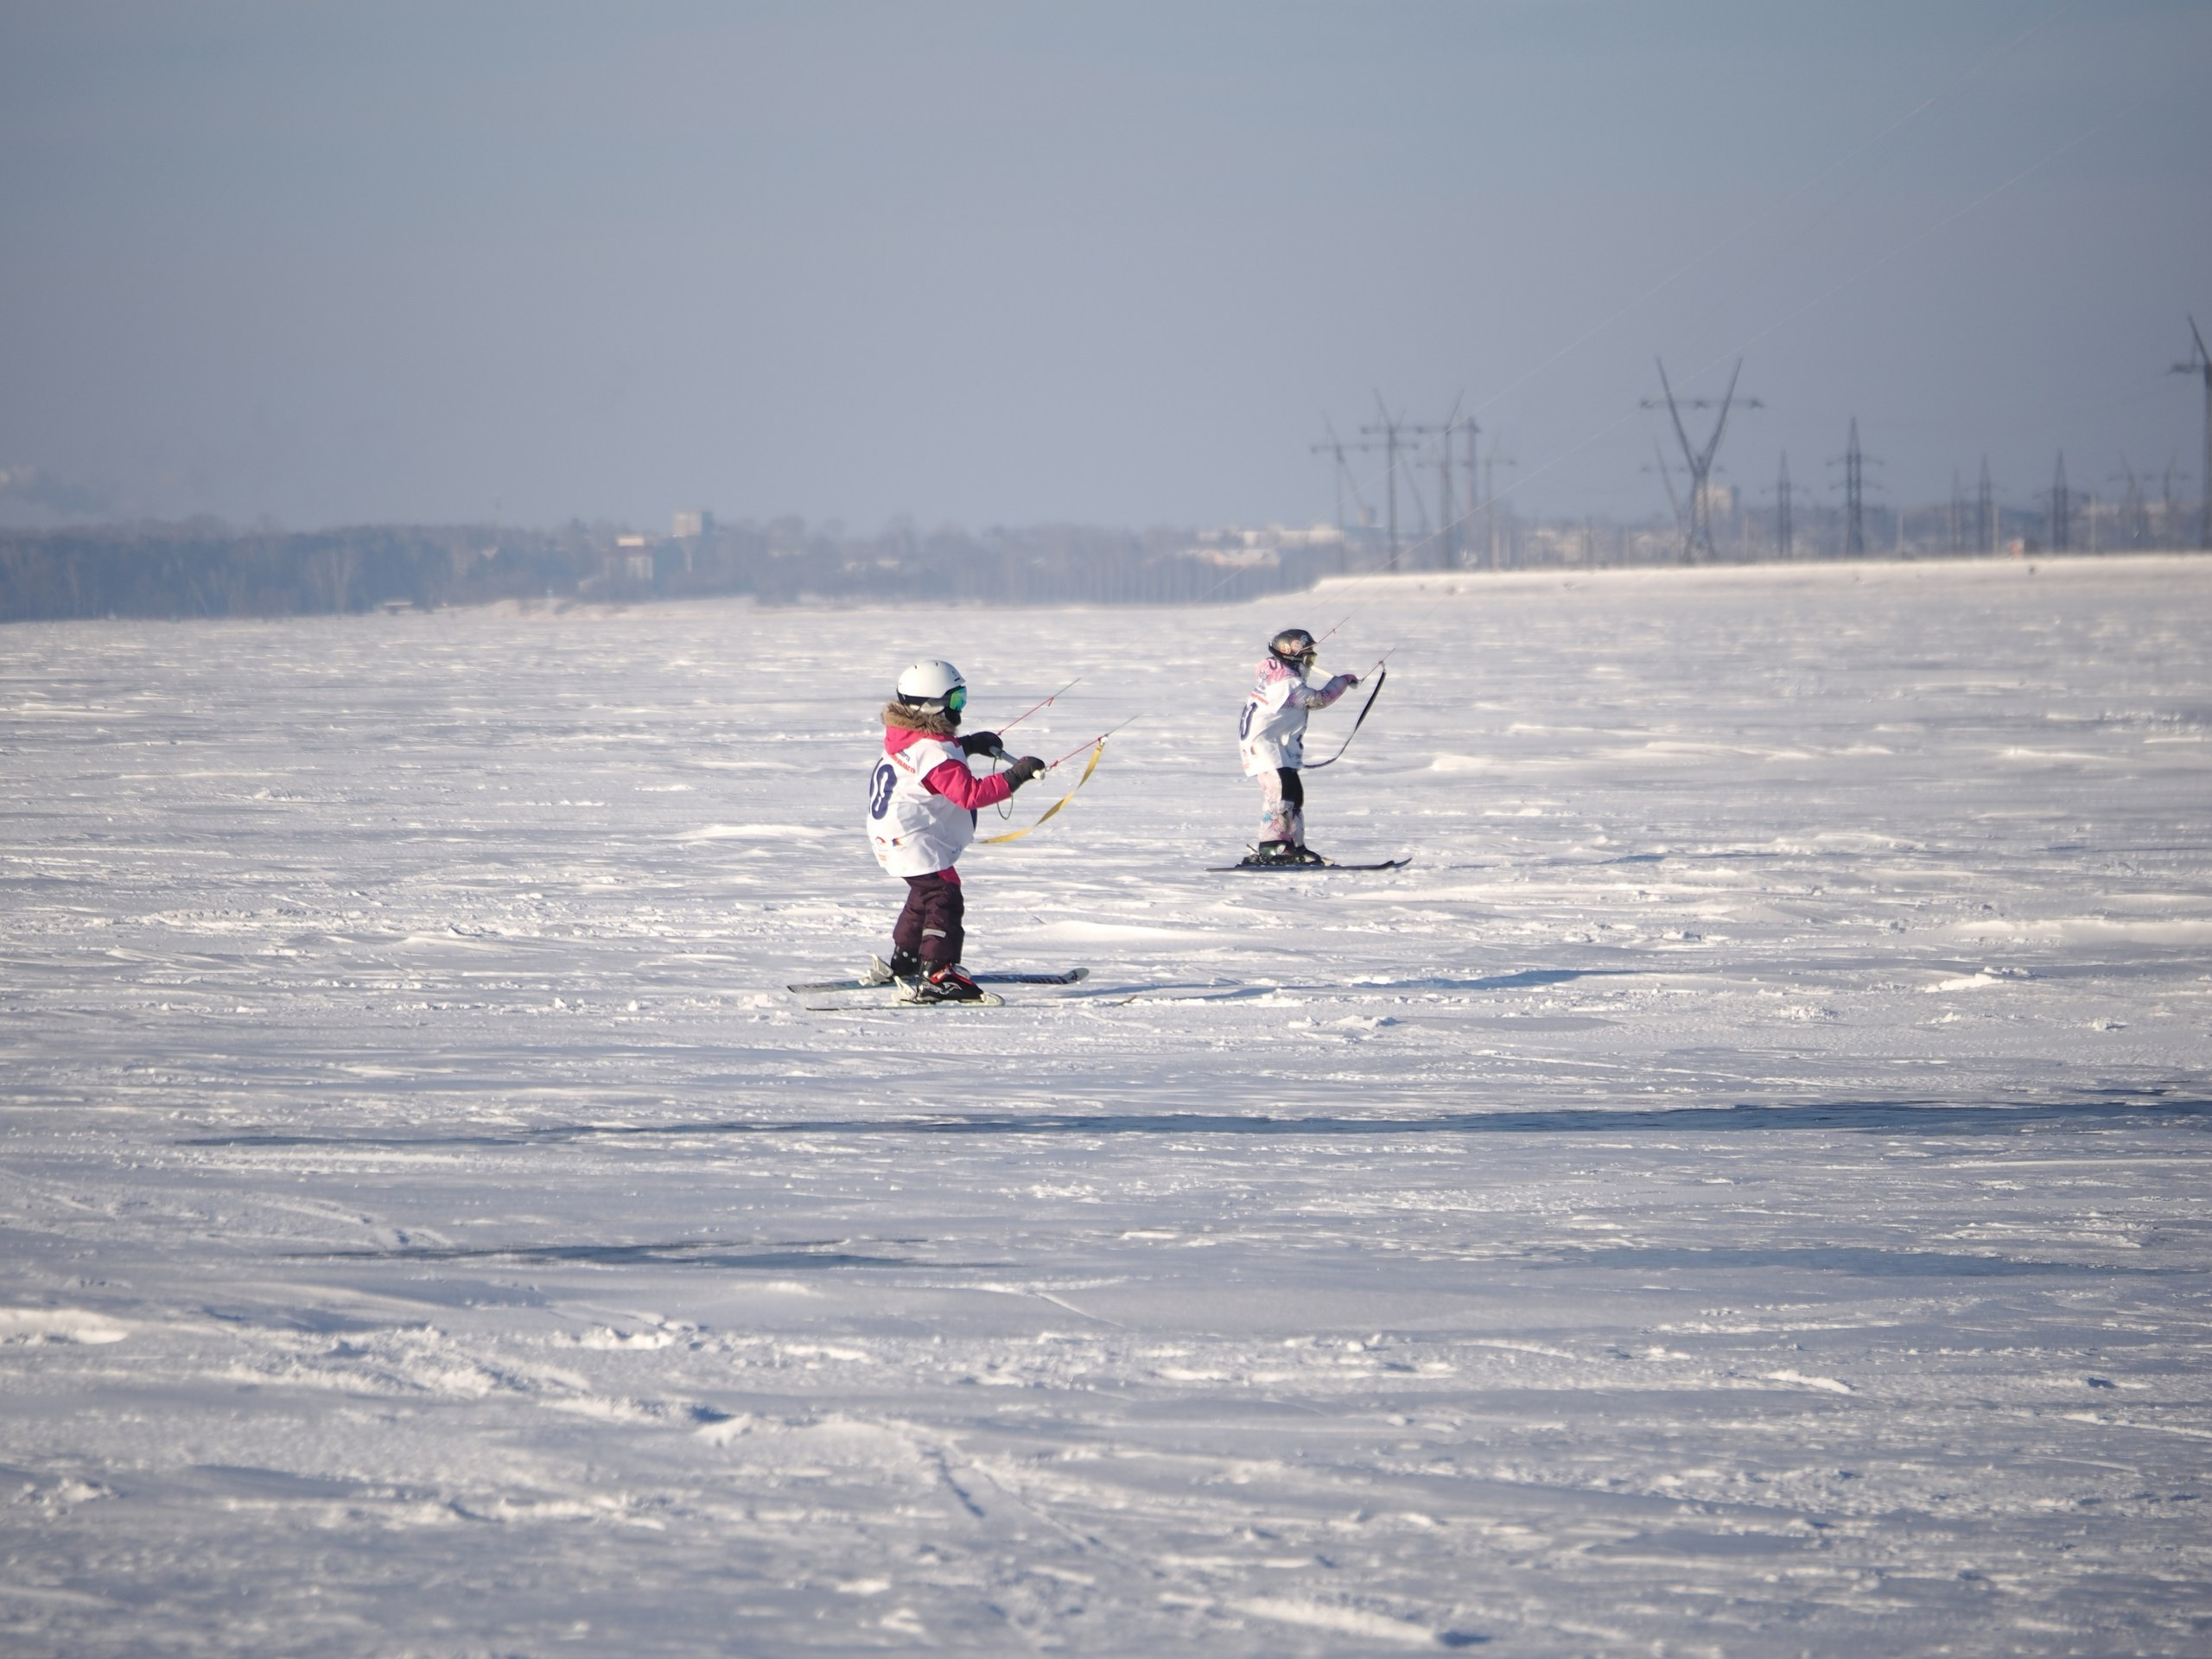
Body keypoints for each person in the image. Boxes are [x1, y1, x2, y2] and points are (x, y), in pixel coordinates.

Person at [866, 659, 1046, 1001]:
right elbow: (969, 794)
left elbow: (936, 754)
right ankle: (938, 973)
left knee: (925, 894)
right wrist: (1015, 776)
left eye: (962, 699)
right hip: (910, 837)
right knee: (943, 894)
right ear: (931, 706)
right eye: (955, 702)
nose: (960, 709)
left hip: (895, 833)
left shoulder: (905, 737)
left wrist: (971, 744)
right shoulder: (933, 753)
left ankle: (906, 961)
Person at [1236, 627, 1359, 866]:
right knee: (1281, 794)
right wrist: (1341, 681)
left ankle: (1292, 845)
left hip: (1274, 745)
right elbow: (1318, 699)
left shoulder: (1275, 672)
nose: (1310, 664)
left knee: (1293, 794)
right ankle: (1272, 846)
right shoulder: (1287, 682)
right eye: (1308, 658)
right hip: (1264, 746)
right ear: (1291, 655)